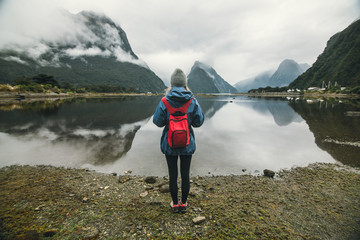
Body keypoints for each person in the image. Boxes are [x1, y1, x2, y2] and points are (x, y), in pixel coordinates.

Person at [153, 68, 204, 213]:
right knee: (185, 174)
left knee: (173, 175)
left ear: (171, 83)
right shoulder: (192, 101)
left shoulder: (164, 101)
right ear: (185, 84)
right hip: (187, 144)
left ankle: (175, 204)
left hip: (169, 145)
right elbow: (199, 122)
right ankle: (184, 204)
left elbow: (157, 121)